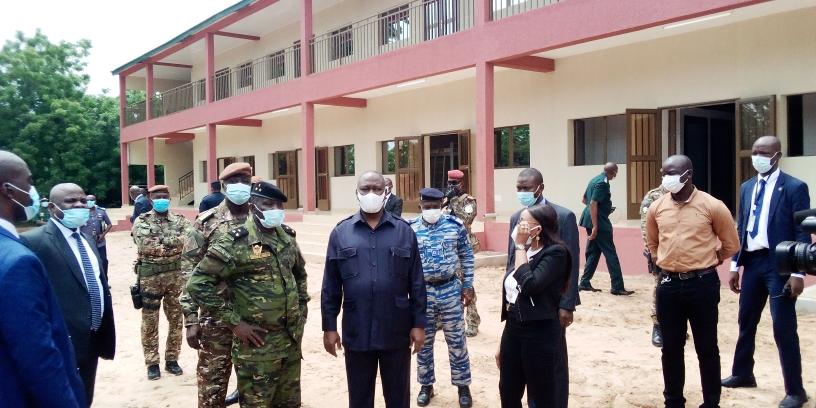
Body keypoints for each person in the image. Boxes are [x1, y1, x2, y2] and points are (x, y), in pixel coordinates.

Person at [188, 181, 308, 407]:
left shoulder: (287, 238)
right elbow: (198, 283)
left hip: (290, 343)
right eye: (268, 204)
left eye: (279, 205)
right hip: (256, 347)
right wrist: (234, 323)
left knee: (290, 403)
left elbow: (299, 275)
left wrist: (302, 310)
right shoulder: (235, 242)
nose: (275, 210)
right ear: (253, 207)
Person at [321, 171, 426, 408]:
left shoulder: (404, 231)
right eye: (365, 189)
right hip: (357, 330)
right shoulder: (341, 233)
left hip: (396, 330)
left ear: (386, 192)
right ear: (357, 193)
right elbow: (331, 286)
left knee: (398, 397)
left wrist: (419, 324)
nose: (371, 194)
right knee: (359, 398)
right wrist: (329, 327)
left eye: (377, 189)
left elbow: (416, 283)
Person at [722, 136, 811, 408]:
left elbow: (802, 230)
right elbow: (740, 227)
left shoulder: (795, 187)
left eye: (765, 153)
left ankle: (795, 390)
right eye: (755, 152)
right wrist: (735, 265)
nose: (758, 157)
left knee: (783, 327)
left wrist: (798, 273)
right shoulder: (747, 187)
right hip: (753, 262)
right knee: (746, 320)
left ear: (777, 156)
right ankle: (742, 372)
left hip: (781, 265)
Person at [645, 155, 740, 408]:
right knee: (671, 349)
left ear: (688, 174)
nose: (666, 178)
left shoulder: (712, 205)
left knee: (707, 348)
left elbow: (731, 244)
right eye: (664, 172)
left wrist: (711, 259)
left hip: (702, 284)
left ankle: (711, 402)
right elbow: (652, 241)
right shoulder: (657, 207)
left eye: (672, 173)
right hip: (668, 286)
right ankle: (673, 401)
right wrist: (658, 258)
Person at [0, 150, 87, 408]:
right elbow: (37, 357)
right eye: (28, 181)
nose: (32, 190)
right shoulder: (18, 259)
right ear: (9, 190)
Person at [21, 182, 116, 405]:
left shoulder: (87, 238)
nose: (80, 205)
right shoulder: (35, 241)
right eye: (71, 201)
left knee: (85, 397)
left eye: (83, 200)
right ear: (52, 208)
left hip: (92, 336)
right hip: (62, 341)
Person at [506, 168, 579, 408]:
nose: (522, 192)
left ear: (540, 188)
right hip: (520, 312)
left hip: (549, 308)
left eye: (527, 188)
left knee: (551, 367)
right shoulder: (517, 217)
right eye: (519, 188)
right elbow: (512, 260)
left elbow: (571, 262)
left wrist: (567, 304)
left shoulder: (563, 216)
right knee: (519, 370)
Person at [181, 163, 252, 407]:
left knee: (257, 389)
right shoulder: (206, 222)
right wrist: (190, 320)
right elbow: (189, 272)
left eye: (245, 180)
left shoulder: (264, 219)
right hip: (216, 319)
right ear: (223, 186)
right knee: (212, 388)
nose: (240, 185)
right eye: (234, 181)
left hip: (257, 320)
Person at [498, 204, 571, 408]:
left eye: (524, 223)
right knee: (508, 389)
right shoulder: (525, 251)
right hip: (514, 327)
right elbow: (512, 297)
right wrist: (503, 342)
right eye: (519, 221)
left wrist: (520, 246)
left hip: (540, 331)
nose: (518, 227)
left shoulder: (556, 253)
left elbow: (530, 285)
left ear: (538, 229)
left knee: (541, 393)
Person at [410, 188, 474, 408]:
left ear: (442, 205)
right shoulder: (410, 229)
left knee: (457, 341)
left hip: (450, 291)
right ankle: (426, 386)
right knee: (423, 343)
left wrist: (467, 286)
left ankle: (463, 386)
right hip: (423, 294)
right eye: (427, 207)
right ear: (420, 205)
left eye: (435, 206)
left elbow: (467, 256)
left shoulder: (455, 227)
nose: (431, 210)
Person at [133, 184, 192, 380]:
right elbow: (146, 245)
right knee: (150, 321)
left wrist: (163, 242)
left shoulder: (180, 220)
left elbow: (191, 240)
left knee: (176, 319)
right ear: (150, 199)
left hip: (176, 278)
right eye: (157, 196)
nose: (161, 199)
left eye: (164, 196)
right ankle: (152, 362)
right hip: (150, 278)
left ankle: (172, 359)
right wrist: (174, 243)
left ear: (169, 198)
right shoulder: (142, 221)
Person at [578, 162, 634, 295]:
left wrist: (603, 208)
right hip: (599, 222)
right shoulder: (603, 183)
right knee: (610, 253)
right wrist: (596, 224)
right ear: (613, 172)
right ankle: (617, 286)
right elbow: (592, 203)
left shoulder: (594, 179)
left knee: (594, 252)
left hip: (589, 219)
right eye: (616, 172)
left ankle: (585, 282)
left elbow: (584, 199)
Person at [444, 169, 481, 337]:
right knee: (447, 280)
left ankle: (473, 320)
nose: (451, 186)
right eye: (449, 183)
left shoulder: (468, 201)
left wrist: (453, 202)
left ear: (461, 184)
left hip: (464, 247)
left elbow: (466, 220)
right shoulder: (446, 199)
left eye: (454, 183)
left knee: (466, 282)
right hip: (448, 246)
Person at [640, 186, 668, 347]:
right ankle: (658, 327)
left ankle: (677, 326)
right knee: (660, 288)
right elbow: (645, 226)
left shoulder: (692, 195)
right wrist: (652, 251)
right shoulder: (654, 196)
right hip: (660, 252)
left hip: (683, 253)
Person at [81, 194, 112, 277]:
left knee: (103, 261)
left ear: (95, 201)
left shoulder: (101, 211)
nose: (89, 202)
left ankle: (105, 280)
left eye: (92, 200)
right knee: (89, 261)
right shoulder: (81, 212)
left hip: (100, 241)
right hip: (87, 242)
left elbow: (109, 224)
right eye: (87, 200)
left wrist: (103, 235)